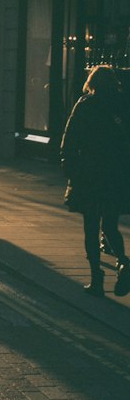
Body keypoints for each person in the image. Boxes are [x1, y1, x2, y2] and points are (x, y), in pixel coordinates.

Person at [60, 65, 130, 298]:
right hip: (114, 177)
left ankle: (96, 280)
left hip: (89, 175)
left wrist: (69, 167)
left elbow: (69, 139)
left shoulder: (85, 105)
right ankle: (123, 262)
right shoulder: (120, 106)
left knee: (91, 228)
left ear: (92, 83)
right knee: (110, 225)